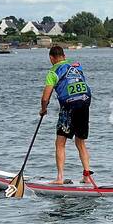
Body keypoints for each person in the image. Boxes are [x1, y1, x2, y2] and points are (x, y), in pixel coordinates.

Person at [41, 45, 91, 184]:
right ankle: (87, 176)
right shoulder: (76, 68)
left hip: (69, 107)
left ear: (51, 58)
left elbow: (45, 98)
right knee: (80, 142)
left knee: (60, 143)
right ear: (64, 56)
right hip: (84, 105)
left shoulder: (53, 72)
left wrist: (43, 110)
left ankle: (59, 178)